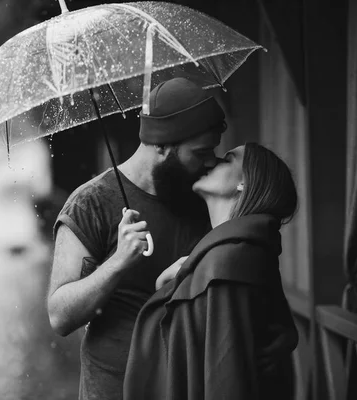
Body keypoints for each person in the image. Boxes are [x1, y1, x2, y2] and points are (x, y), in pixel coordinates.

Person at [47, 77, 228, 400]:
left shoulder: (202, 198)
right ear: (161, 145)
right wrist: (118, 262)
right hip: (114, 389)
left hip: (189, 385)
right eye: (201, 152)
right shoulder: (91, 203)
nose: (211, 161)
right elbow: (60, 315)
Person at [123, 142, 300, 400]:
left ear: (244, 183)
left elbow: (226, 378)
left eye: (228, 159)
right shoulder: (231, 254)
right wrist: (167, 286)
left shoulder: (230, 262)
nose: (210, 161)